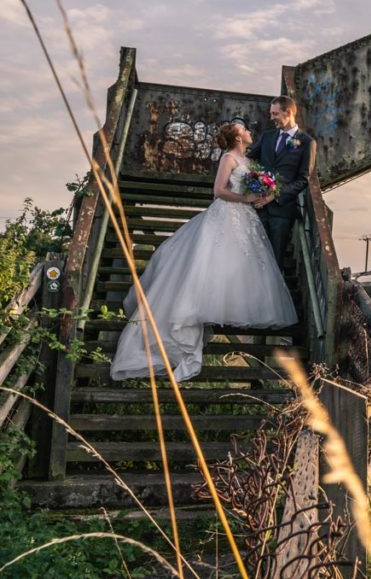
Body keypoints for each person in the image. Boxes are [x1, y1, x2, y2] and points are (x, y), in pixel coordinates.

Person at [109, 122, 298, 382]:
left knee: (239, 266)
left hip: (246, 220)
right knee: (212, 262)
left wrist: (264, 189)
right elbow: (218, 191)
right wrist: (246, 199)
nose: (250, 131)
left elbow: (257, 180)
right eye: (245, 129)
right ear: (237, 136)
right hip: (228, 215)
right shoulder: (229, 158)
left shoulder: (246, 158)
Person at [247, 95, 315, 269]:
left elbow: (303, 179)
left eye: (275, 114)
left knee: (274, 261)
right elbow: (248, 160)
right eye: (271, 114)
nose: (272, 118)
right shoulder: (267, 136)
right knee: (253, 259)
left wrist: (274, 196)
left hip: (282, 212)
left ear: (289, 112)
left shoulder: (306, 142)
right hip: (258, 208)